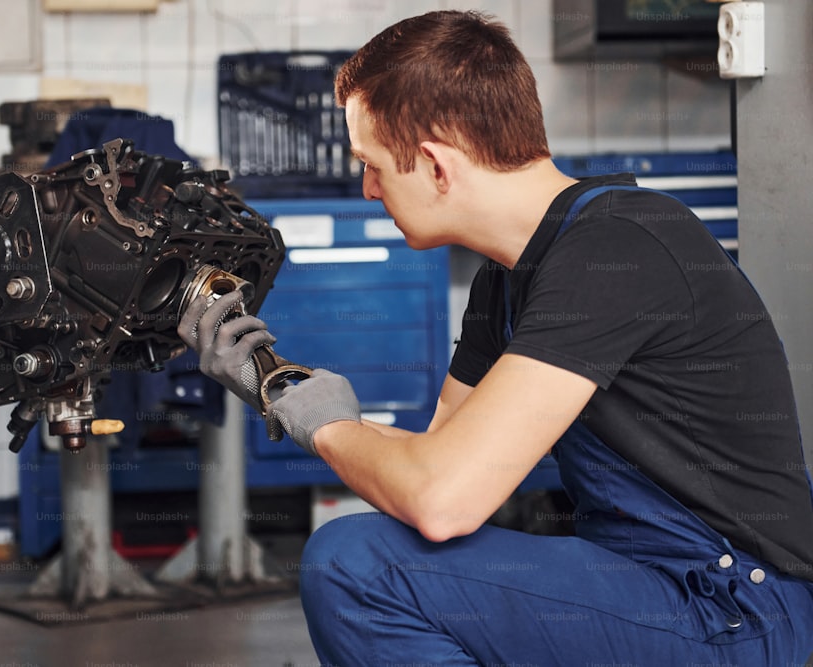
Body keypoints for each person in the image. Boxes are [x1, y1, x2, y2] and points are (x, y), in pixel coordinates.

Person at [178, 10, 813, 666]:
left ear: (434, 165)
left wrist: (329, 430)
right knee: (376, 553)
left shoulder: (619, 247)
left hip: (735, 609)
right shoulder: (506, 277)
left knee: (353, 567)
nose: (367, 190)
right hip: (645, 586)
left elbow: (442, 501)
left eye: (371, 166)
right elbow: (439, 461)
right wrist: (274, 383)